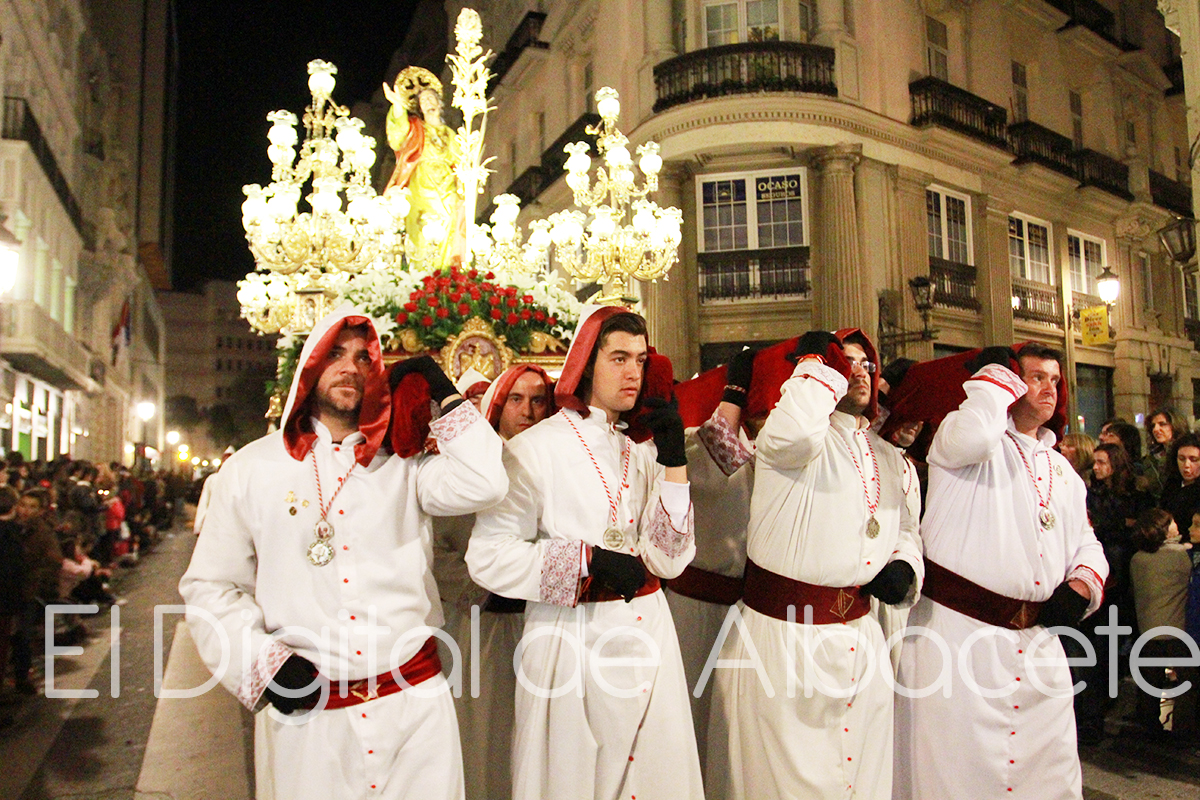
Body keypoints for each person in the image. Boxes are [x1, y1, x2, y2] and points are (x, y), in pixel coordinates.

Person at [179, 303, 509, 800]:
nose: (350, 367)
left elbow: (486, 482)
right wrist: (263, 663)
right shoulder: (251, 469)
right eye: (336, 353)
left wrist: (445, 392)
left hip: (414, 712)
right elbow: (210, 587)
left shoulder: (405, 465)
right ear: (310, 363)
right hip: (310, 721)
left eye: (363, 358)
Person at [466, 306, 702, 800]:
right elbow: (487, 557)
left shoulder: (642, 448)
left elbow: (671, 560)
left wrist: (674, 462)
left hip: (648, 633)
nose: (633, 372)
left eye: (640, 359)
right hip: (569, 639)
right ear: (585, 364)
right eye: (618, 358)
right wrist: (585, 560)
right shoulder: (534, 449)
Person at [709, 329, 922, 800]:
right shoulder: (791, 440)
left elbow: (905, 528)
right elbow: (793, 431)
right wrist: (816, 366)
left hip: (862, 640)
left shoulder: (886, 456)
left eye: (865, 363)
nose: (858, 370)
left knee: (863, 777)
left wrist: (905, 565)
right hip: (786, 641)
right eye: (843, 361)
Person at [894, 344, 1107, 800]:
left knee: (1046, 773)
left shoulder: (1064, 471)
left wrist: (1081, 583)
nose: (1049, 388)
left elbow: (1088, 543)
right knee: (953, 773)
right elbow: (977, 436)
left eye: (1055, 379)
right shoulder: (962, 435)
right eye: (1035, 377)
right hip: (958, 639)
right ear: (1009, 383)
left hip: (1037, 645)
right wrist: (992, 377)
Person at [433, 363, 554, 800]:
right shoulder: (473, 470)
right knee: (488, 732)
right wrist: (486, 592)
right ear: (499, 405)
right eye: (517, 400)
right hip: (481, 627)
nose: (528, 411)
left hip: (544, 624)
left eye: (538, 400)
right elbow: (438, 550)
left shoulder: (556, 460)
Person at [383, 67, 462, 267]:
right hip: (420, 184)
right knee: (420, 228)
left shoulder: (450, 134)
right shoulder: (415, 128)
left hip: (447, 187)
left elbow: (461, 161)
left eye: (430, 98)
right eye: (423, 100)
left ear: (439, 103)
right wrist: (398, 105)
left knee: (449, 228)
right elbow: (397, 135)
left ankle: (446, 272)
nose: (427, 102)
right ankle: (421, 272)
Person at [1129, 508, 1195, 739]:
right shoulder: (1182, 555)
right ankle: (1183, 731)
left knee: (1149, 683)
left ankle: (1148, 726)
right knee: (1188, 683)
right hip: (1177, 630)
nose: (1177, 524)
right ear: (1163, 529)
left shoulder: (1138, 559)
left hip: (1148, 629)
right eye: (1172, 522)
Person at [1145, 408, 1188, 495]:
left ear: (1176, 425)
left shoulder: (1188, 450)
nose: (1156, 429)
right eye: (1153, 425)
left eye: (1162, 424)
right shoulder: (1153, 455)